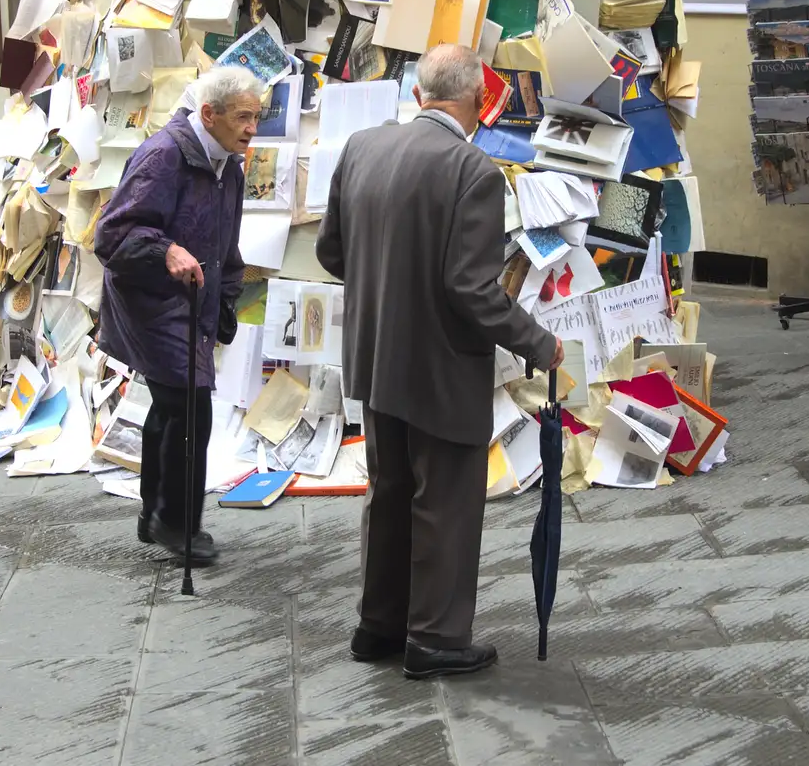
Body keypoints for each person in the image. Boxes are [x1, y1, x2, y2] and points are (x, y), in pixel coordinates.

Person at [316, 44, 563, 680]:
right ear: (477, 103)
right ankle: (435, 637)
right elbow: (472, 289)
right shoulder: (471, 170)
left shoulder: (362, 148)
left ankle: (379, 625)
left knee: (389, 489)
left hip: (373, 358)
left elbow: (332, 253)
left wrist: (386, 287)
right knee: (446, 500)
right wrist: (539, 342)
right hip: (439, 363)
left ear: (420, 92)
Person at [94, 66, 263, 566]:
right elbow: (111, 237)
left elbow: (223, 241)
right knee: (190, 406)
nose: (252, 127)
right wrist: (164, 249)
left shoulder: (228, 163)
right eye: (242, 117)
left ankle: (155, 513)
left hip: (193, 298)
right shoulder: (163, 156)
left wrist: (228, 297)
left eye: (257, 116)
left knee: (172, 404)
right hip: (150, 298)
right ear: (208, 115)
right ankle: (177, 522)